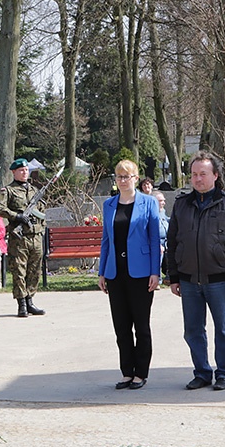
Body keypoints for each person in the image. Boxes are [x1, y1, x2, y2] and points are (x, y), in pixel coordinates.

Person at [167, 151, 225, 391]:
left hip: (220, 279)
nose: (198, 179)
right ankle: (202, 373)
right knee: (193, 331)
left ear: (215, 176)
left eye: (203, 174)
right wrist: (173, 277)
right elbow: (173, 242)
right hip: (188, 281)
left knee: (224, 329)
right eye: (194, 174)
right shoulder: (181, 205)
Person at [97, 160, 160, 390]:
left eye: (127, 176)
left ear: (136, 178)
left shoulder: (149, 203)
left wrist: (156, 272)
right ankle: (126, 371)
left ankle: (140, 373)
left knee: (141, 326)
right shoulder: (109, 205)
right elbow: (106, 240)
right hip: (116, 273)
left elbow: (154, 239)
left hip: (141, 272)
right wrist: (102, 271)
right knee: (121, 326)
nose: (122, 180)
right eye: (119, 177)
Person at [0, 158, 46, 318]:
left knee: (34, 270)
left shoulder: (33, 190)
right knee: (19, 271)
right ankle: (21, 303)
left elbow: (42, 209)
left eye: (26, 170)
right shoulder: (8, 191)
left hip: (35, 236)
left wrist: (40, 227)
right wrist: (17, 216)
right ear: (14, 172)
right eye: (21, 170)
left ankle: (30, 299)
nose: (25, 172)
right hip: (19, 237)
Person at [155, 191, 170, 281]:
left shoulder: (162, 212)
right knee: (159, 251)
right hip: (156, 242)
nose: (163, 203)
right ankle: (157, 279)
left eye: (163, 200)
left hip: (166, 241)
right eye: (160, 201)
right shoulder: (151, 213)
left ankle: (169, 277)